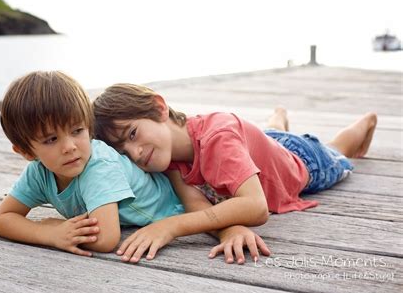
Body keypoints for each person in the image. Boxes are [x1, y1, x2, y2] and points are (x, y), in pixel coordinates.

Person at [93, 83, 378, 263]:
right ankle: (277, 121)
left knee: (336, 150)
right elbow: (198, 207)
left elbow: (256, 206)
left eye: (132, 133)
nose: (137, 153)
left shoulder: (218, 137)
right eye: (125, 153)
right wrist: (230, 229)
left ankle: (365, 121)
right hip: (262, 146)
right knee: (272, 137)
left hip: (303, 160)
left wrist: (170, 226)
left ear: (159, 107)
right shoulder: (168, 162)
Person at [0, 71, 187, 256]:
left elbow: (105, 239)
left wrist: (55, 229)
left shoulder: (99, 166)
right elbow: (2, 219)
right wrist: (48, 234)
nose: (69, 147)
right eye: (51, 139)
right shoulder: (38, 173)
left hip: (174, 212)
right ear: (26, 151)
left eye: (77, 130)